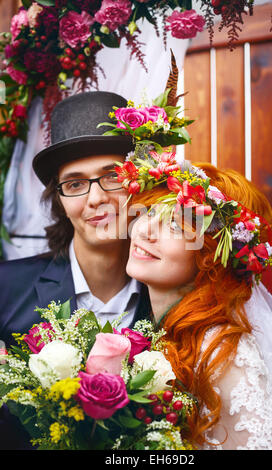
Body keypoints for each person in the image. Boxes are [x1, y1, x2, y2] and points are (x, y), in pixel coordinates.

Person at [118, 150, 272, 450]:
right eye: (149, 212)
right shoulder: (158, 325)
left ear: (212, 256)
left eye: (175, 226)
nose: (145, 231)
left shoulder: (224, 356)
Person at [0, 91, 151, 449]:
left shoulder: (169, 296)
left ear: (138, 182)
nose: (96, 198)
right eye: (75, 184)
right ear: (60, 200)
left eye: (112, 175)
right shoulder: (5, 288)